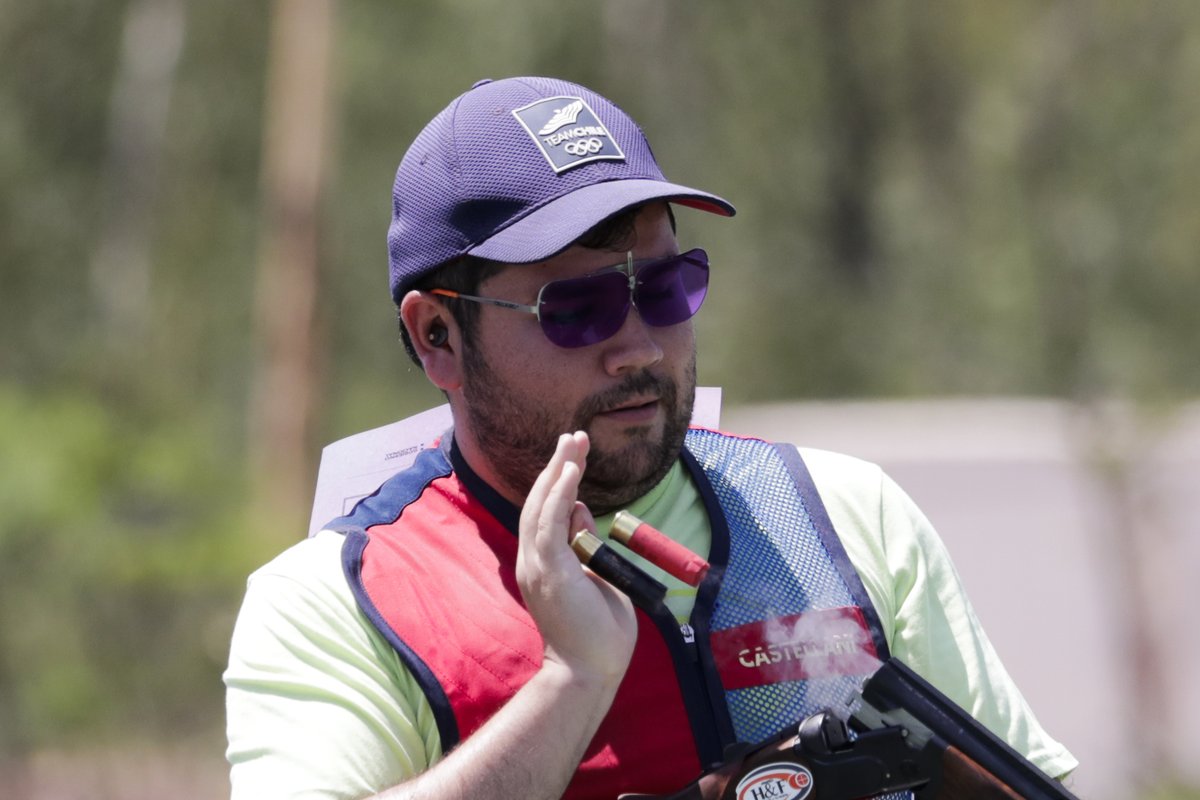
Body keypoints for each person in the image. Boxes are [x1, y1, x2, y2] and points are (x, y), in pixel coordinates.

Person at [224, 76, 1077, 800]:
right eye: (576, 307)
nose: (637, 346)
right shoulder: (335, 600)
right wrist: (571, 684)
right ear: (437, 335)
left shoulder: (846, 514)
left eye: (667, 287)